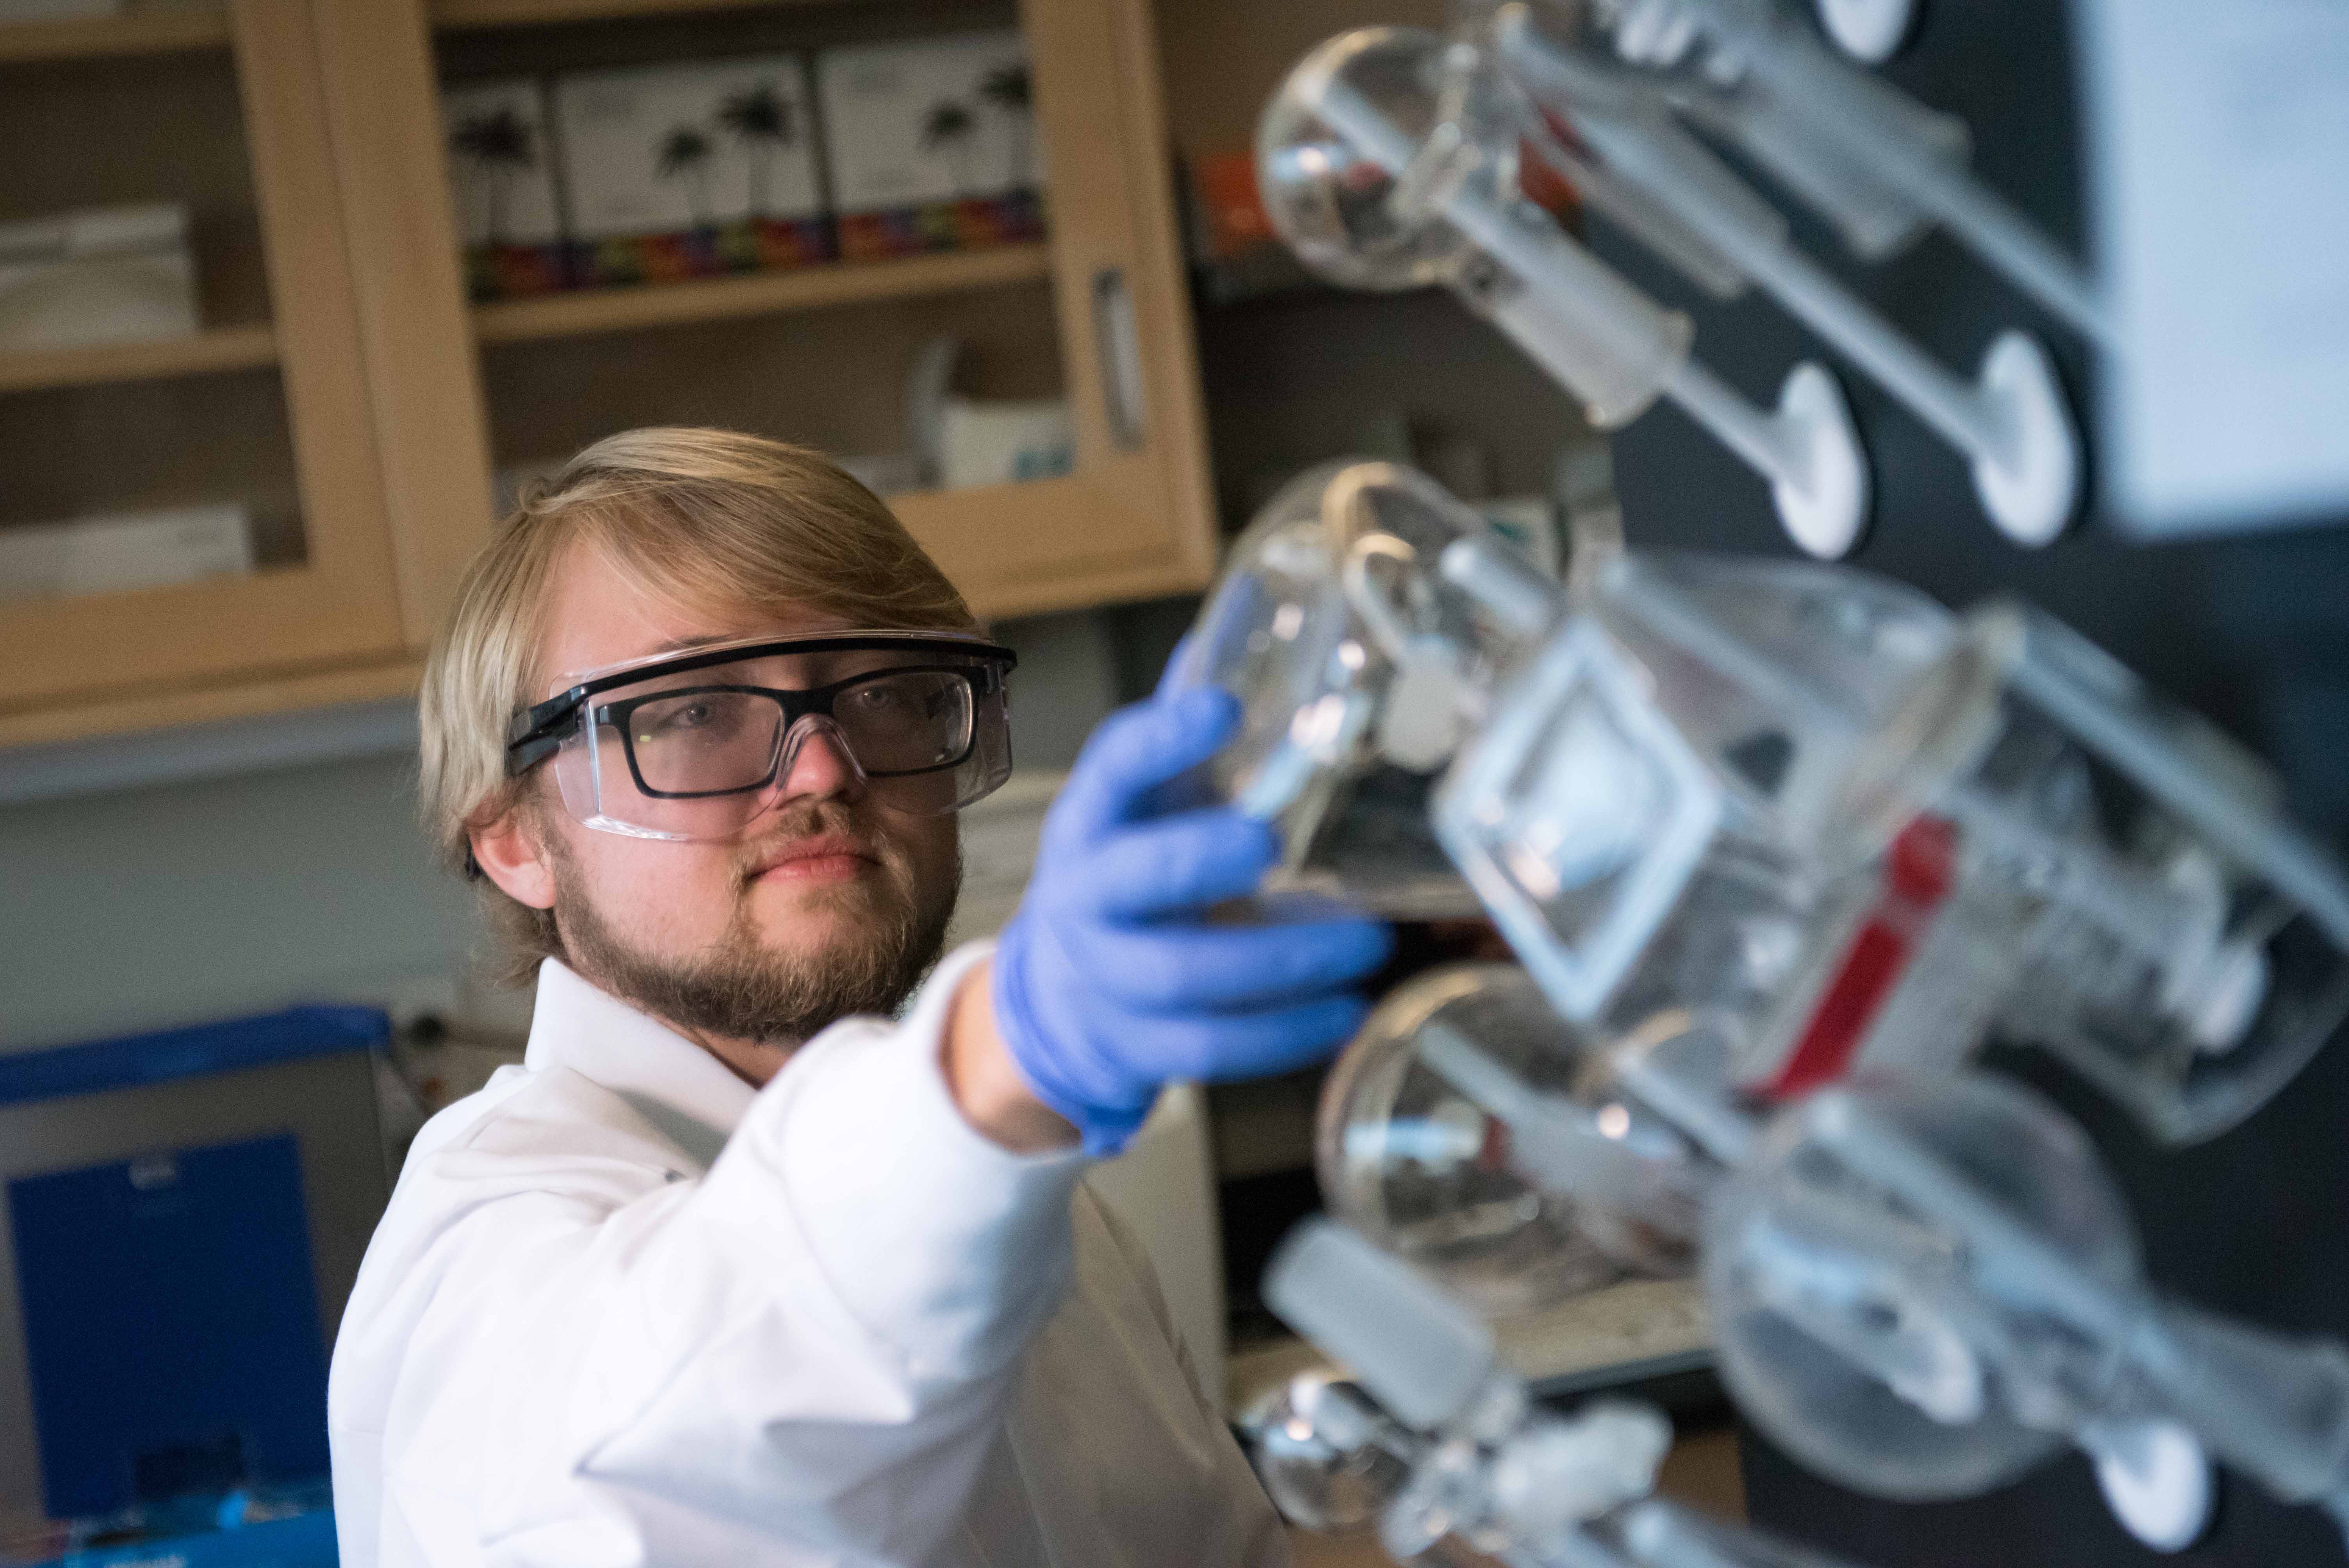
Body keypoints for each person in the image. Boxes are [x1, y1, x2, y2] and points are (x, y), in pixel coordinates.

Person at [327, 428, 1393, 1566]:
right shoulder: (486, 1248)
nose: (827, 767)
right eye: (691, 712)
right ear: (513, 842)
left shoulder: (1044, 1206)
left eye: (885, 694)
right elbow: (682, 1469)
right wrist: (998, 1061)